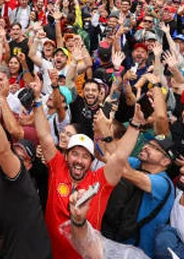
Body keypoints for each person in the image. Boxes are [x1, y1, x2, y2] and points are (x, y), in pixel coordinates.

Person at [31, 71, 137, 258]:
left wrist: (135, 124)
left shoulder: (100, 181)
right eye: (75, 154)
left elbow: (119, 158)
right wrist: (38, 100)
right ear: (66, 156)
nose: (79, 160)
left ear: (91, 160)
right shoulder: (57, 167)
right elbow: (44, 137)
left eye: (85, 156)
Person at [0, 80, 52, 258]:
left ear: (28, 164)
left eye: (21, 157)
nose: (16, 159)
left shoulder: (22, 180)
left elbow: (3, 150)